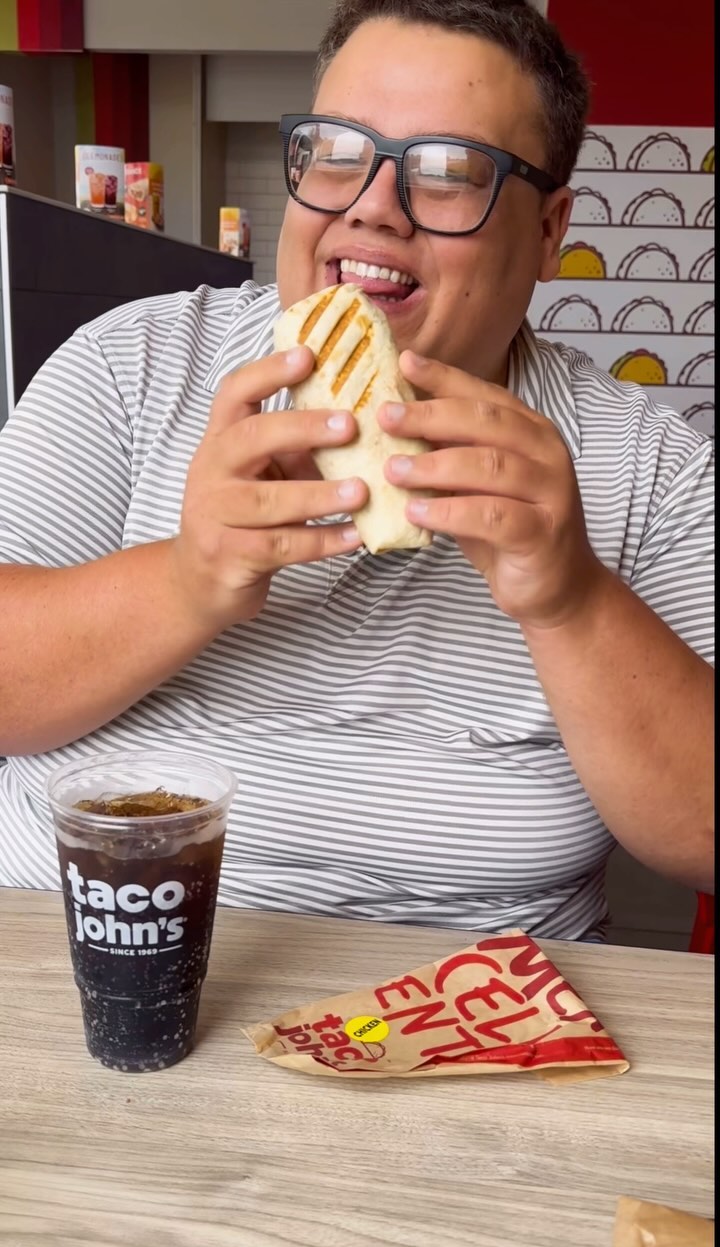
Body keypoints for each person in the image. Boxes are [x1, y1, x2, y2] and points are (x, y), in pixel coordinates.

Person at [0, 0, 713, 939]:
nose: (371, 205)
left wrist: (571, 602)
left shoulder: (648, 462)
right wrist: (184, 580)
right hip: (88, 958)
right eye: (336, 151)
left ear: (549, 232)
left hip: (480, 996)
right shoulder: (131, 366)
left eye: (449, 171)